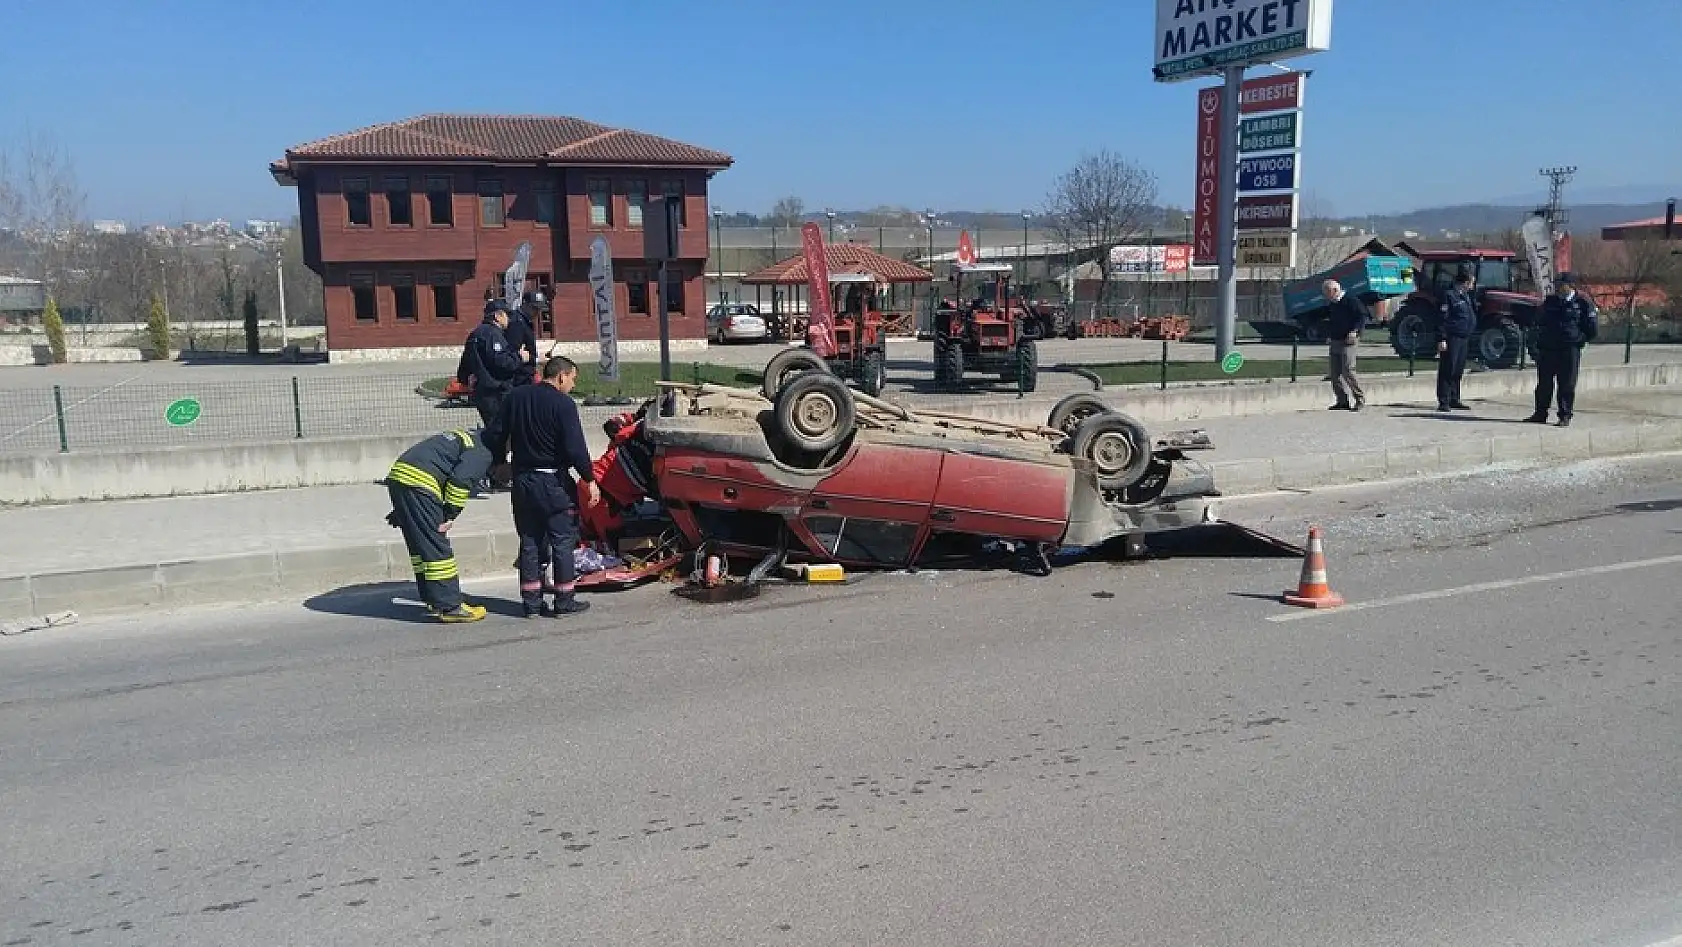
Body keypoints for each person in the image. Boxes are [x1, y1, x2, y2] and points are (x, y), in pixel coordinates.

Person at [486, 355, 602, 619]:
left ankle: (531, 602)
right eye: (573, 379)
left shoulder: (515, 397)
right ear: (561, 376)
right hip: (552, 482)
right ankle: (564, 599)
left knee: (529, 540)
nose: (572, 385)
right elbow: (575, 448)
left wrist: (499, 462)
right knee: (562, 541)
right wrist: (589, 479)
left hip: (523, 481)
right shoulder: (563, 404)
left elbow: (495, 434)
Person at [383, 427, 495, 623]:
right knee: (436, 548)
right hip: (419, 482)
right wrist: (449, 513)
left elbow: (437, 467)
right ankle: (450, 606)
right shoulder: (483, 452)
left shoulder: (468, 438)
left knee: (420, 548)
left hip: (401, 476)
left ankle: (433, 597)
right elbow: (460, 481)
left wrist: (407, 510)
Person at [1527, 272, 1598, 427]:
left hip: (1569, 349)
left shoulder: (1582, 302)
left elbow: (1591, 328)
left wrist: (1580, 339)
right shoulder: (1550, 301)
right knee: (1544, 383)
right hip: (1548, 348)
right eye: (1556, 284)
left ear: (1570, 285)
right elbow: (1539, 321)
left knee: (1566, 384)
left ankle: (1564, 415)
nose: (1557, 287)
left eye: (1561, 284)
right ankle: (1540, 413)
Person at [1320, 279, 1369, 411]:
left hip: (1349, 340)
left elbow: (1362, 316)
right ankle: (1342, 401)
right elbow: (1333, 321)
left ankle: (1359, 399)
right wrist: (1330, 335)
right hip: (1336, 339)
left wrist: (1355, 331)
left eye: (1327, 292)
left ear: (1335, 290)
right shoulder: (1332, 304)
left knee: (1347, 370)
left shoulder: (1351, 300)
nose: (1325, 296)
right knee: (1334, 373)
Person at [1435, 268, 1477, 412]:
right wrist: (1442, 338)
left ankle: (1455, 398)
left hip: (1464, 337)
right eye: (1471, 283)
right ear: (1465, 282)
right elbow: (1442, 318)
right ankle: (1444, 400)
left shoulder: (1465, 296)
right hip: (1452, 337)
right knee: (1448, 368)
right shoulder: (1449, 295)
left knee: (1458, 369)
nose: (1472, 286)